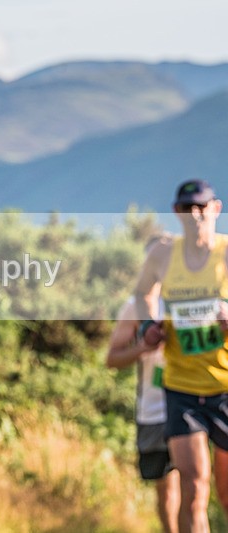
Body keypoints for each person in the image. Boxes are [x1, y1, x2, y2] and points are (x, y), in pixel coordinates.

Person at [135, 180, 228, 533]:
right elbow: (143, 292)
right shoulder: (162, 253)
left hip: (224, 385)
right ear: (177, 212)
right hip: (181, 389)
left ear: (216, 208)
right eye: (187, 208)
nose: (195, 215)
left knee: (226, 493)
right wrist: (148, 326)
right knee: (194, 487)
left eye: (202, 207)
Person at [107, 234, 180, 533]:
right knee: (167, 488)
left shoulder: (193, 299)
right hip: (154, 410)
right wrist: (143, 349)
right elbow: (112, 358)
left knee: (194, 484)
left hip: (196, 398)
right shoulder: (133, 307)